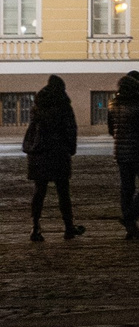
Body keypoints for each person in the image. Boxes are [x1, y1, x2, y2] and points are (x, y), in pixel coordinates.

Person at [23, 74, 81, 241]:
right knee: (63, 192)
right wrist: (71, 149)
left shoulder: (38, 105)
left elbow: (33, 129)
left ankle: (35, 227)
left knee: (39, 192)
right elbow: (71, 130)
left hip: (39, 153)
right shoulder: (64, 106)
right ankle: (69, 227)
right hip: (58, 153)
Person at [106, 71, 139, 240]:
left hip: (121, 151)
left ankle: (131, 229)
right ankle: (130, 217)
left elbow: (111, 130)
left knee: (127, 190)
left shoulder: (113, 103)